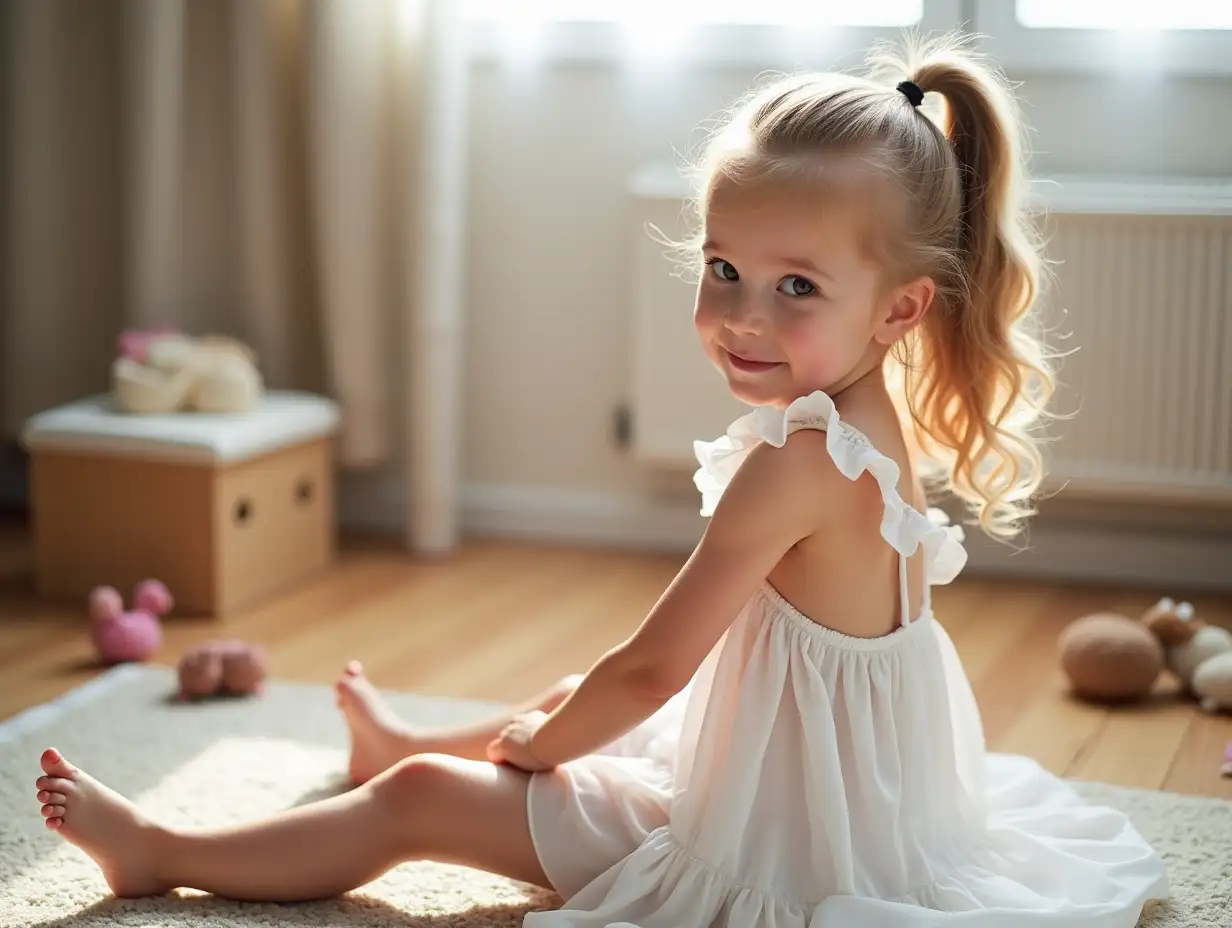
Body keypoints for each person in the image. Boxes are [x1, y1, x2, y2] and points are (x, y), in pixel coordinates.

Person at [32, 32, 1169, 926]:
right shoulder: (868, 423)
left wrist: (537, 752)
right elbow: (677, 671)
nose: (738, 315)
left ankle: (165, 851)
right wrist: (566, 723)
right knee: (587, 707)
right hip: (839, 802)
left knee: (454, 793)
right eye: (723, 267)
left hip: (778, 853)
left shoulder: (794, 464)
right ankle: (403, 742)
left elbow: (652, 669)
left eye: (793, 287)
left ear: (899, 306)